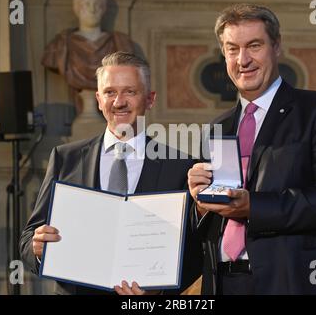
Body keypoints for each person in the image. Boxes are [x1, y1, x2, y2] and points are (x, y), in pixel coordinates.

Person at [187, 4, 316, 295]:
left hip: (294, 282)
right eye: (232, 49)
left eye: (254, 46)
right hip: (223, 284)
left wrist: (254, 206)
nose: (242, 59)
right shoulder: (217, 127)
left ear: (277, 46)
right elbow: (210, 224)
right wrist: (200, 204)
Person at [21, 52, 202, 295]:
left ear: (150, 99)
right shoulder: (66, 158)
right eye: (109, 92)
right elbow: (27, 241)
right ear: (98, 99)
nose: (119, 102)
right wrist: (37, 248)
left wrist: (158, 292)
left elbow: (195, 250)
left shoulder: (179, 166)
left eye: (130, 91)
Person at [41, 0, 135, 117]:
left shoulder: (120, 43)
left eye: (97, 4)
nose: (92, 9)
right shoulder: (60, 45)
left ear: (103, 9)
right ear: (78, 9)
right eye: (87, 4)